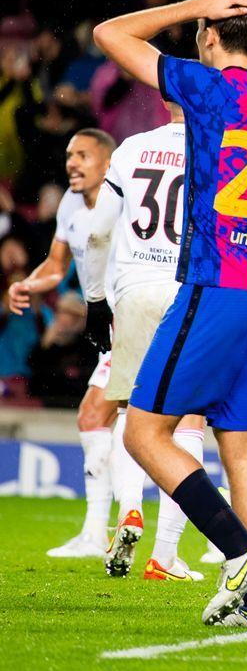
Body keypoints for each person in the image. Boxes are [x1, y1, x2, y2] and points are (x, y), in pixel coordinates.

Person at [92, 0, 247, 628]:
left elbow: (109, 33)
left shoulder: (206, 90)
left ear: (210, 38)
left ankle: (238, 554)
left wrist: (197, 6)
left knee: (144, 431)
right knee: (241, 446)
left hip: (218, 286)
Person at [80, 103, 208, 582]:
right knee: (188, 420)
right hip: (189, 292)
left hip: (133, 293)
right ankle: (166, 555)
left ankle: (128, 510)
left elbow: (97, 234)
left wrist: (96, 300)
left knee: (133, 412)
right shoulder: (214, 150)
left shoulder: (132, 148)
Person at [7, 127, 119, 558]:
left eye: (84, 155)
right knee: (114, 425)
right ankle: (118, 533)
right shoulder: (71, 204)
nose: (72, 162)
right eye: (70, 154)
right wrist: (29, 284)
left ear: (107, 163)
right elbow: (57, 265)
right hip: (106, 329)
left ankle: (117, 535)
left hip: (133, 320)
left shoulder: (123, 200)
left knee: (100, 419)